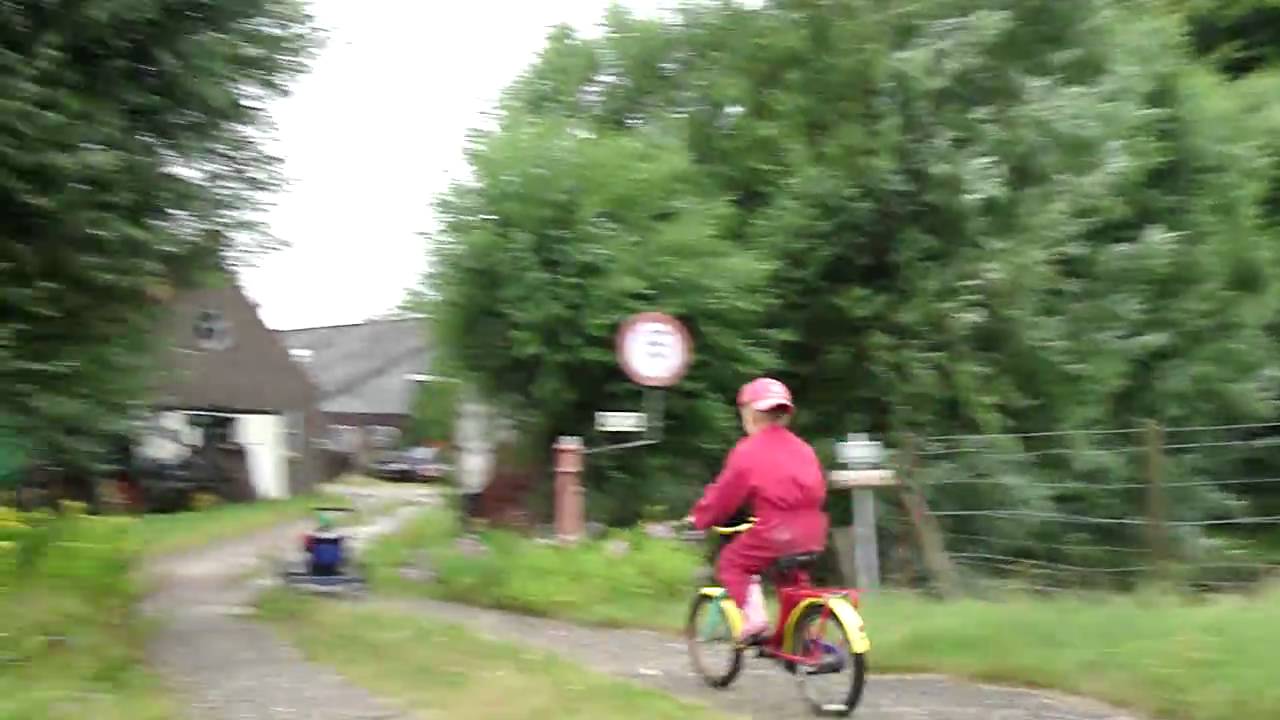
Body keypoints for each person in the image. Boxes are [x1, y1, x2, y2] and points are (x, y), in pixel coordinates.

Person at [685, 377, 829, 642]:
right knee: (794, 580)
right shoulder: (804, 449)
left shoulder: (748, 451)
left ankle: (755, 619)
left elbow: (723, 496)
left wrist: (700, 519)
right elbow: (817, 490)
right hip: (814, 530)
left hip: (776, 530)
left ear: (748, 414)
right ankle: (801, 640)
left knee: (732, 563)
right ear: (785, 417)